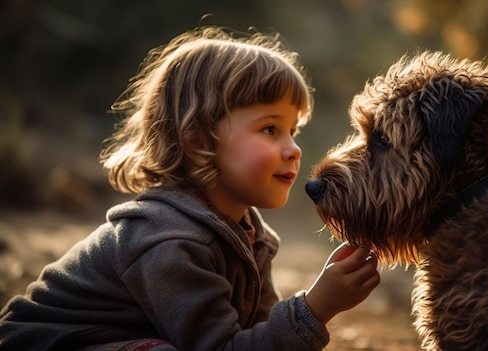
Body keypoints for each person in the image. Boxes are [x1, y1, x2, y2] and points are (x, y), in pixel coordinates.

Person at [0, 26, 380, 351]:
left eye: (293, 131)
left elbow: (257, 339)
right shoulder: (168, 240)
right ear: (198, 139)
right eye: (270, 129)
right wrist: (315, 308)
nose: (294, 148)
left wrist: (314, 305)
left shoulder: (250, 233)